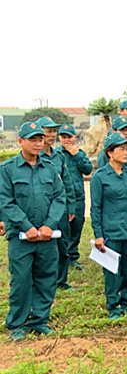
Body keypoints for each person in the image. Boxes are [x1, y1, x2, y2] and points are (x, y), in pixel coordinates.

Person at [1, 121, 67, 340]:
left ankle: (40, 320)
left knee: (46, 278)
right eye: (32, 140)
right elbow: (6, 201)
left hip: (47, 236)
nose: (38, 144)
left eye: (40, 139)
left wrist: (49, 224)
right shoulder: (7, 169)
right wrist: (26, 226)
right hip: (21, 238)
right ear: (20, 141)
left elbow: (59, 197)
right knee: (21, 280)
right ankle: (18, 324)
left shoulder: (49, 168)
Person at [91, 134, 127, 319]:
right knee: (112, 272)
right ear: (110, 152)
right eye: (121, 149)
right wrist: (98, 235)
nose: (126, 153)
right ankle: (113, 306)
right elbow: (96, 208)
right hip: (111, 232)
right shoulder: (100, 177)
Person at [36, 117, 78, 292]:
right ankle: (42, 281)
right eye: (48, 131)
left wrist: (70, 206)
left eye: (54, 131)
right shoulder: (34, 156)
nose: (52, 135)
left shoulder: (58, 156)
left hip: (59, 208)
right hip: (40, 209)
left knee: (62, 245)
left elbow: (66, 183)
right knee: (41, 248)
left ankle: (61, 280)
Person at [56, 124, 93, 272]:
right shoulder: (56, 154)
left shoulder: (80, 153)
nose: (66, 140)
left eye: (69, 137)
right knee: (62, 227)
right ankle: (62, 256)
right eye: (63, 137)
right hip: (61, 197)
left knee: (77, 225)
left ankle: (73, 256)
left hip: (78, 196)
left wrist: (76, 155)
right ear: (59, 138)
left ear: (74, 137)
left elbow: (88, 169)